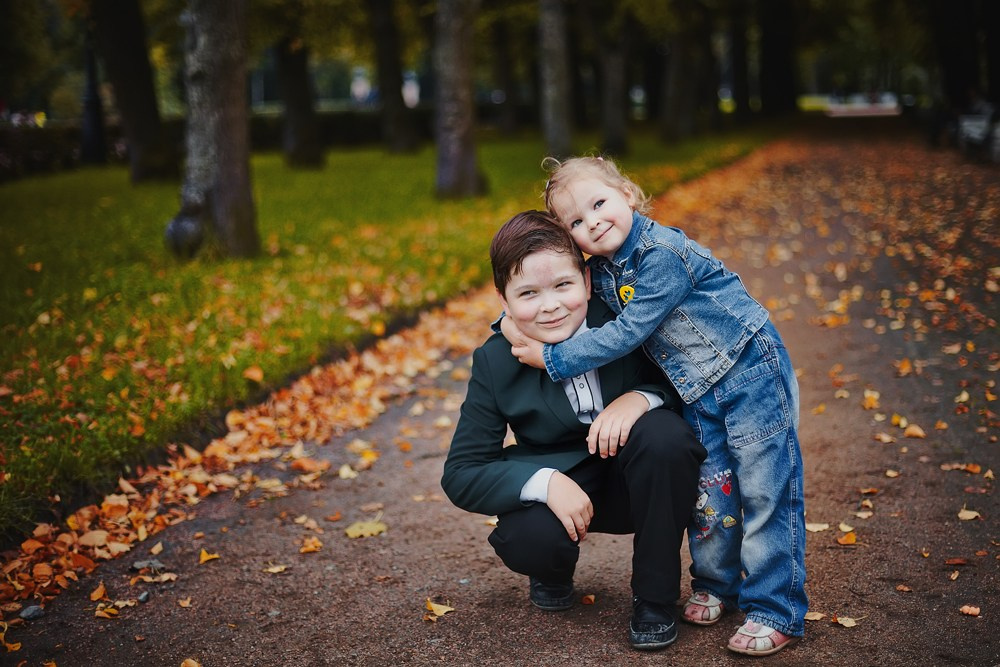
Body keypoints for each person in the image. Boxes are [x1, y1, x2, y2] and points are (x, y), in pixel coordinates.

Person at [501, 157, 807, 657]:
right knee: (713, 490)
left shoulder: (662, 253)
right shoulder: (600, 269)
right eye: (576, 222)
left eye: (599, 204)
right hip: (697, 387)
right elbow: (543, 293)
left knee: (765, 488)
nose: (593, 222)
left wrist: (552, 357)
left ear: (628, 193)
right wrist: (513, 325)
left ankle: (776, 608)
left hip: (749, 371)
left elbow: (627, 333)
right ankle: (716, 583)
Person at [441, 210, 705, 652]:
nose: (550, 306)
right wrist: (544, 484)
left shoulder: (626, 318)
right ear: (503, 299)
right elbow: (462, 471)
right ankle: (552, 569)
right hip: (563, 486)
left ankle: (655, 599)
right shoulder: (495, 360)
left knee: (666, 437)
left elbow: (686, 379)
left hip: (637, 477)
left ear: (586, 280)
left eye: (563, 285)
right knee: (529, 538)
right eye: (528, 293)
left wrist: (641, 398)